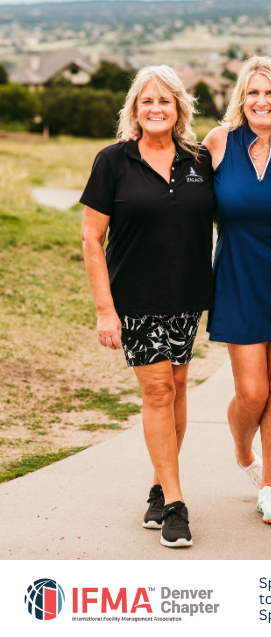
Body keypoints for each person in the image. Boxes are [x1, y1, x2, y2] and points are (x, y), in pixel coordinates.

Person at [80, 65, 216, 548]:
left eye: (164, 101)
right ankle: (176, 504)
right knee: (158, 391)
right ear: (134, 109)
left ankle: (160, 484)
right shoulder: (113, 161)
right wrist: (104, 309)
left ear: (179, 108)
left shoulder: (200, 160)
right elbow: (91, 238)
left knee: (177, 387)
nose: (155, 109)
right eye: (146, 101)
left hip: (188, 296)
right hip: (136, 297)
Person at [203, 57, 271, 524]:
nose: (262, 101)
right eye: (253, 93)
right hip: (238, 278)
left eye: (270, 93)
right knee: (252, 391)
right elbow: (177, 183)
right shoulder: (219, 142)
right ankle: (245, 453)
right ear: (241, 99)